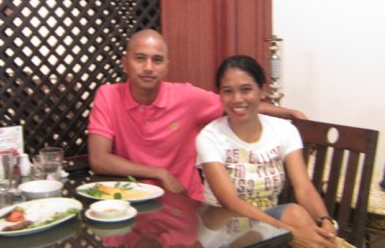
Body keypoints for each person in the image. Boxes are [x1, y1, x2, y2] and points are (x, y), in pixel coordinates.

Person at [87, 29, 305, 202]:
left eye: (157, 60)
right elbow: (98, 160)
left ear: (166, 67)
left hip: (184, 202)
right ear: (125, 63)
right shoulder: (108, 95)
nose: (148, 67)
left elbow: (237, 103)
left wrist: (289, 112)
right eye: (140, 58)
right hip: (132, 200)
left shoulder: (187, 97)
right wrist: (160, 173)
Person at [195, 55, 346, 248]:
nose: (237, 99)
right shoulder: (210, 137)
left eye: (246, 89)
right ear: (220, 95)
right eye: (228, 91)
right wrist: (291, 234)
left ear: (262, 91)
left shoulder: (283, 131)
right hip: (225, 241)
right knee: (294, 215)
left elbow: (304, 187)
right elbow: (229, 202)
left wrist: (325, 222)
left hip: (271, 234)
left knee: (300, 221)